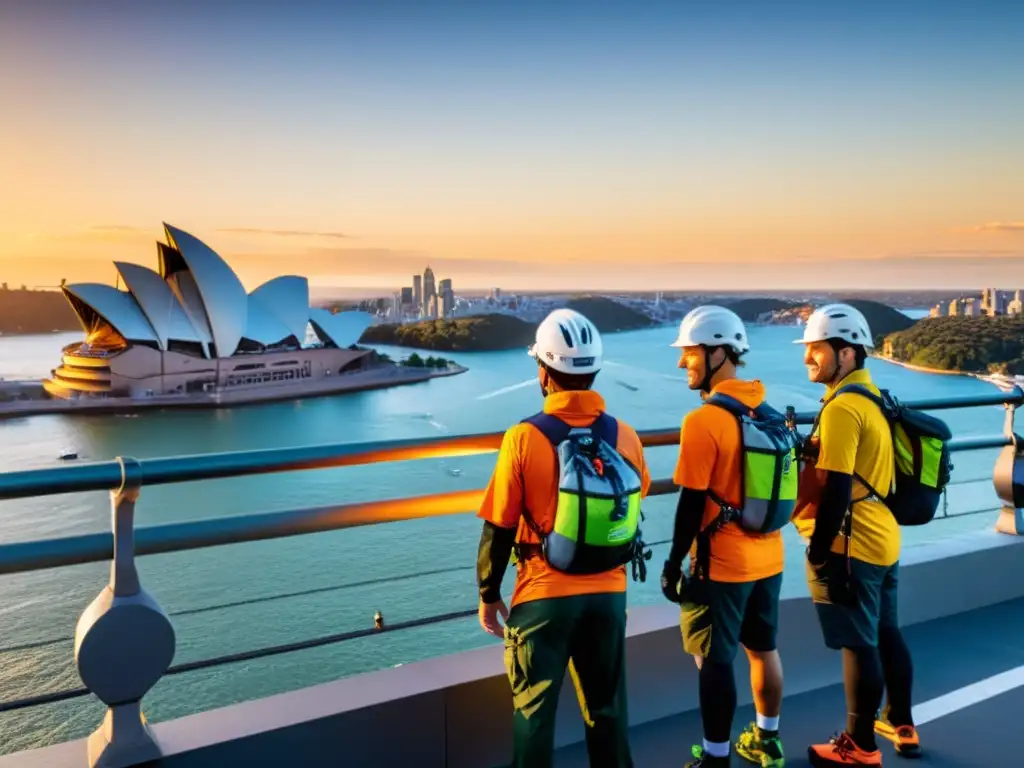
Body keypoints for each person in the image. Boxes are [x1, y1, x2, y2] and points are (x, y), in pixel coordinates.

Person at [475, 307, 652, 768]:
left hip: (543, 595)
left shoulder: (523, 437)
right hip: (609, 593)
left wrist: (488, 593)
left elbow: (499, 522)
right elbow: (638, 496)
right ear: (593, 371)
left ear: (543, 371)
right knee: (608, 712)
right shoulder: (626, 436)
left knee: (534, 715)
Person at [660, 305, 788, 768]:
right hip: (769, 556)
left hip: (721, 564)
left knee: (713, 660)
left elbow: (690, 502)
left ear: (717, 352)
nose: (682, 363)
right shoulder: (770, 412)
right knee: (763, 649)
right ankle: (767, 740)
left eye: (689, 352)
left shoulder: (704, 421)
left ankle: (716, 758)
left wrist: (674, 564)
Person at [793, 303, 920, 767]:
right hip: (883, 535)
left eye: (817, 349)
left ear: (846, 354)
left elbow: (837, 485)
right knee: (886, 631)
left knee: (858, 644)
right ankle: (901, 723)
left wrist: (820, 549)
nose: (808, 358)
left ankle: (859, 745)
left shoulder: (844, 408)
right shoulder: (875, 398)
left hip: (853, 545)